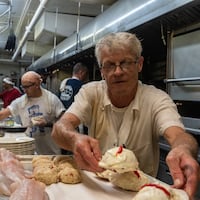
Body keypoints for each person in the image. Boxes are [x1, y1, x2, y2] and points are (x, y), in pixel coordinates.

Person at [52, 32, 199, 198]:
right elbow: (61, 127)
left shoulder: (156, 99)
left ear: (139, 64)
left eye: (126, 63)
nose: (118, 72)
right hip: (96, 188)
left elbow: (178, 135)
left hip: (141, 193)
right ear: (101, 71)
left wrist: (182, 149)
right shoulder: (90, 93)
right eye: (109, 65)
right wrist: (74, 139)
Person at [0, 71, 65, 155]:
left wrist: (47, 123)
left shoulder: (51, 100)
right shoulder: (22, 101)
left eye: (27, 87)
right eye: (23, 87)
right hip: (30, 151)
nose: (24, 90)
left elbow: (65, 121)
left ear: (37, 84)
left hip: (51, 151)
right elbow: (3, 114)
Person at [59, 62, 88, 154]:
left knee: (64, 146)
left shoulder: (64, 84)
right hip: (76, 121)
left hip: (63, 120)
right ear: (81, 72)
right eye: (85, 74)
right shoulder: (81, 86)